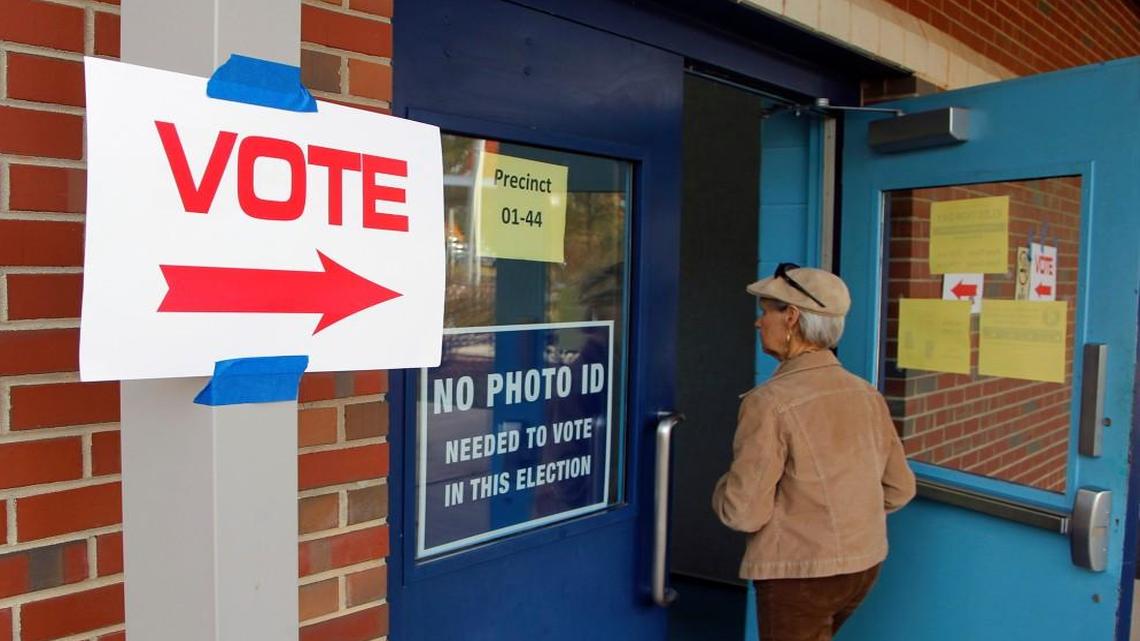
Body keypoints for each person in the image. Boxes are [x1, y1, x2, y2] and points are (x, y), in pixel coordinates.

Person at [712, 263, 916, 641]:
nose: (759, 323)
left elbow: (743, 512)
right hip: (863, 565)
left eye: (766, 311)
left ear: (791, 317)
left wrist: (721, 489)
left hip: (799, 576)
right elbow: (899, 489)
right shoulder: (866, 394)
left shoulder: (769, 402)